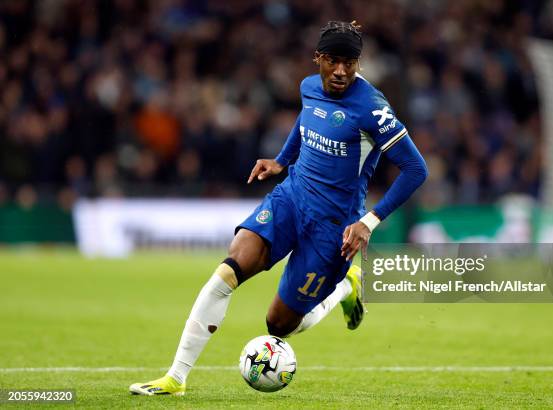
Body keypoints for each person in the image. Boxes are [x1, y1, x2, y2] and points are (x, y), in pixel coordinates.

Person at [129, 20, 427, 396]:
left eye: (349, 62)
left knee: (279, 324)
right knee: (231, 266)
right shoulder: (308, 87)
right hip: (292, 197)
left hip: (333, 226)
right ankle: (176, 377)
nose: (340, 71)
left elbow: (417, 169)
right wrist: (283, 160)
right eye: (333, 60)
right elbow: (305, 121)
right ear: (317, 58)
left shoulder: (372, 108)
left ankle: (344, 287)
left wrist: (369, 221)